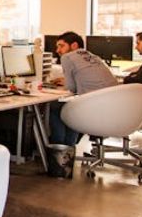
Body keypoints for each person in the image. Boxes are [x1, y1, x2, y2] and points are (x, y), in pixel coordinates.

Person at [47, 31, 119, 176]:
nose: (58, 50)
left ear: (74, 45)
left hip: (90, 108)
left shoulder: (67, 57)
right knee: (72, 107)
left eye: (61, 46)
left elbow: (71, 89)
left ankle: (60, 153)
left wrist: (64, 83)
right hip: (110, 108)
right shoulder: (94, 56)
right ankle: (69, 149)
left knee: (54, 107)